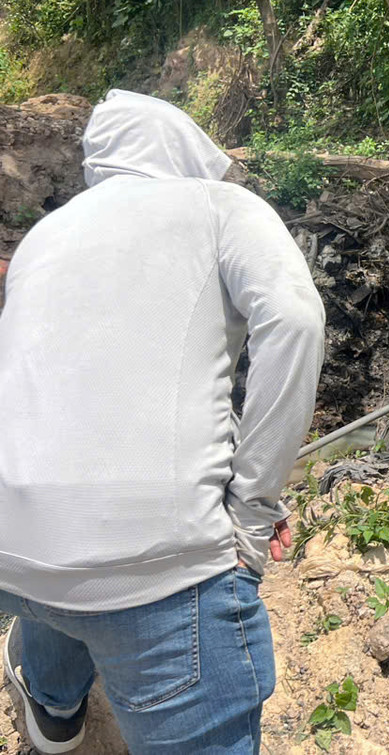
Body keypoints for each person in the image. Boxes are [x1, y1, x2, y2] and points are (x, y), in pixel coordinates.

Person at [0, 90, 326, 753]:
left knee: (63, 572)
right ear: (185, 149)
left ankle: (55, 713)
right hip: (162, 574)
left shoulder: (43, 238)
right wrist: (253, 508)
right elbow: (295, 319)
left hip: (14, 557)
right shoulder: (221, 206)